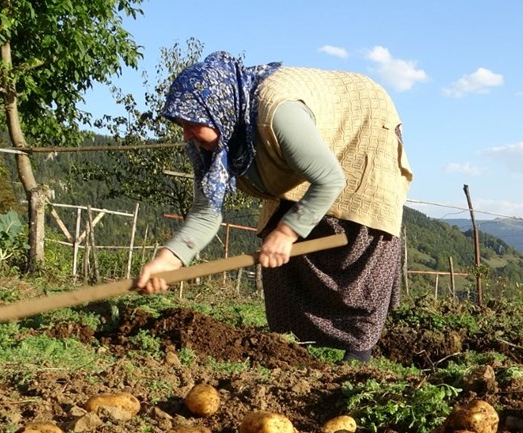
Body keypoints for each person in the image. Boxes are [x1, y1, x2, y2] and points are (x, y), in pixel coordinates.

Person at [135, 51, 413, 363]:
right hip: (303, 149)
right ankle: (292, 350)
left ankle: (357, 356)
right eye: (180, 123)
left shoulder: (279, 114)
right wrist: (169, 259)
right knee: (278, 243)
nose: (186, 133)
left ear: (217, 110)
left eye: (191, 123)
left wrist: (288, 231)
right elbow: (205, 212)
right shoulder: (208, 141)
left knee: (357, 237)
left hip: (364, 123)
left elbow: (330, 180)